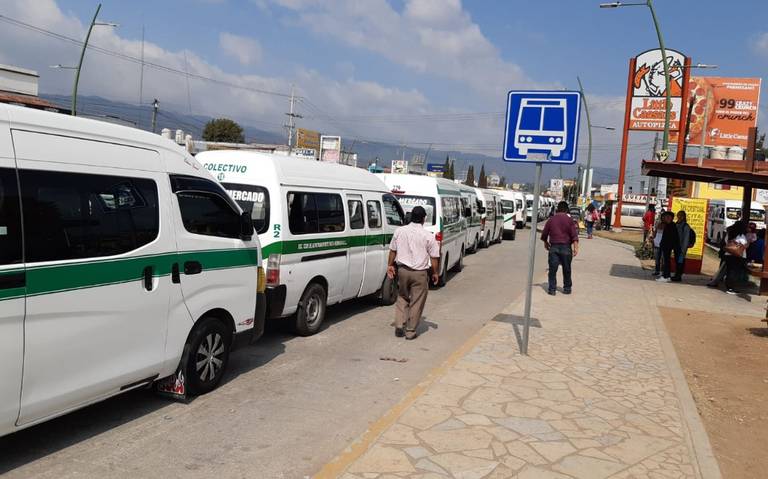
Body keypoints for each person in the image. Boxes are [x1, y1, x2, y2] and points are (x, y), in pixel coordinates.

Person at [387, 206, 440, 340]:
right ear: (424, 219)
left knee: (402, 296)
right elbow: (434, 257)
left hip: (403, 270)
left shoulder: (399, 231)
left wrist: (389, 265)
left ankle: (399, 325)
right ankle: (410, 331)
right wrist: (435, 273)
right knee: (417, 301)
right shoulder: (428, 236)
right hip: (420, 273)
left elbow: (393, 250)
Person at [541, 201, 579, 295]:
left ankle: (552, 289)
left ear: (558, 209)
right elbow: (574, 235)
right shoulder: (570, 220)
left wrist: (545, 242)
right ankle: (567, 288)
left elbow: (545, 233)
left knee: (552, 269)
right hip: (566, 248)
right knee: (567, 269)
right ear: (566, 209)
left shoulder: (551, 219)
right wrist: (575, 247)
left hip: (554, 247)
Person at [722, 221, 748, 295]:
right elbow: (744, 244)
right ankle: (730, 288)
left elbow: (725, 241)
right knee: (734, 272)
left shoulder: (729, 233)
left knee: (729, 271)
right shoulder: (741, 235)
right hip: (737, 256)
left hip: (728, 254)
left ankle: (729, 287)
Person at [656, 211, 680, 283]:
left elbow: (671, 238)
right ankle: (666, 275)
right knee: (665, 261)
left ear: (670, 218)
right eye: (664, 217)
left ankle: (666, 276)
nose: (665, 218)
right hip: (665, 245)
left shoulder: (672, 226)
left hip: (668, 246)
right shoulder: (667, 225)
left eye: (667, 217)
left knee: (666, 261)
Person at [672, 210, 695, 282]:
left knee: (680, 262)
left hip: (682, 248)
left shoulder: (686, 226)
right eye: (678, 215)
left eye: (681, 215)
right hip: (676, 247)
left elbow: (686, 238)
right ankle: (677, 275)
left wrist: (683, 250)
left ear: (683, 217)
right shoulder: (676, 224)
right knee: (677, 261)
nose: (679, 216)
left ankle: (678, 276)